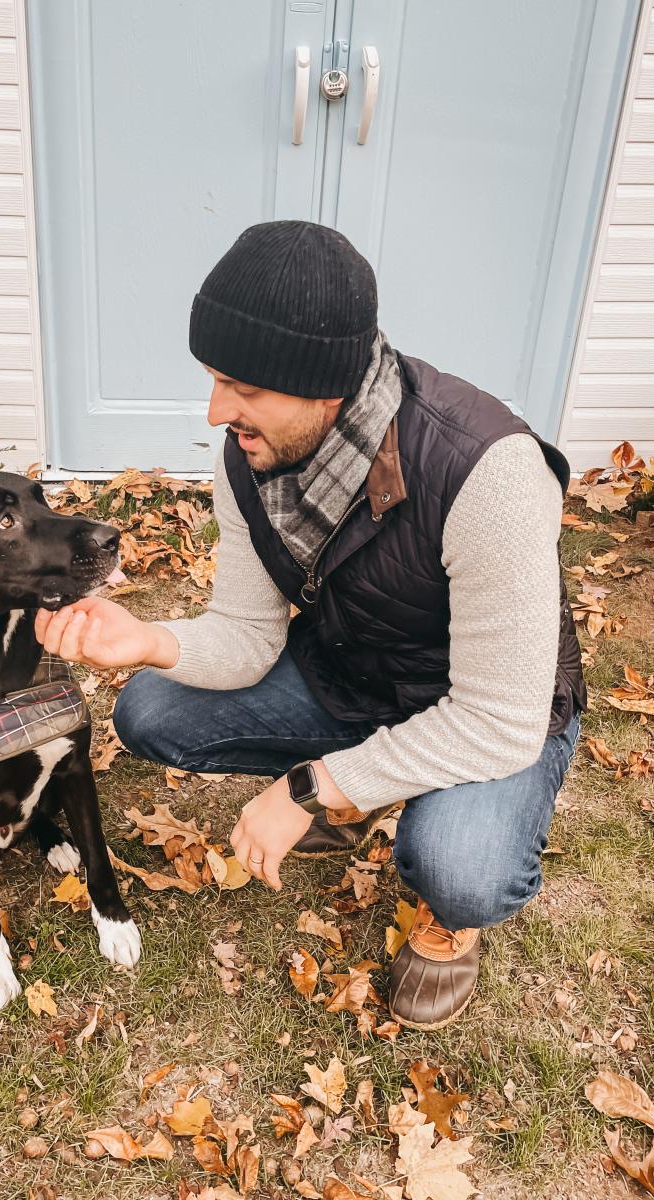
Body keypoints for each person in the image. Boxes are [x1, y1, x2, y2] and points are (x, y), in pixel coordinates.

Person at [35, 221, 585, 1030]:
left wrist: (311, 787)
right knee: (150, 708)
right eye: (215, 378)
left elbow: (500, 719)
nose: (218, 409)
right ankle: (369, 777)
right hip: (354, 675)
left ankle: (441, 902)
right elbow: (249, 634)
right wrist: (148, 640)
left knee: (459, 867)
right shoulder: (248, 457)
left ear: (325, 388)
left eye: (244, 387)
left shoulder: (486, 467)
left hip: (494, 713)